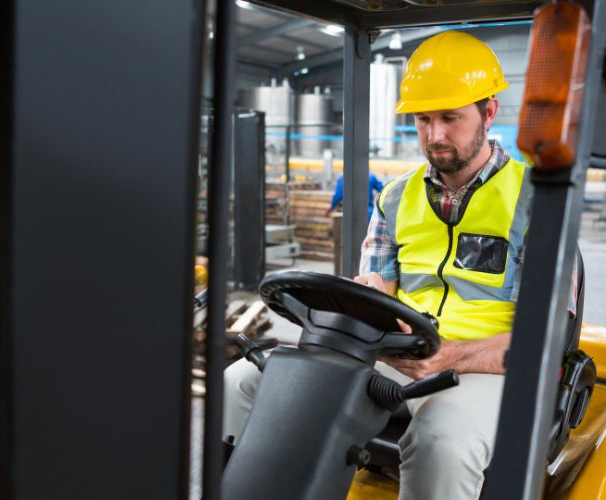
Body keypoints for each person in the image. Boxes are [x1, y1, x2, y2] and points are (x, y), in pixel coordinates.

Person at [224, 31, 576, 500]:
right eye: (423, 119)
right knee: (242, 382)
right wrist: (366, 304)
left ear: (489, 112)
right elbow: (380, 290)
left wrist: (451, 355)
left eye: (451, 118)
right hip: (403, 357)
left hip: (489, 369)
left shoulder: (539, 201)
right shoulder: (394, 197)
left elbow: (546, 341)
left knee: (440, 442)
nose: (435, 136)